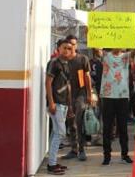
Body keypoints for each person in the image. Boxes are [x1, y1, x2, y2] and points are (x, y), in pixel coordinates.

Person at [61, 35, 93, 162]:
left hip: (80, 95)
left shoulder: (83, 59)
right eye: (70, 45)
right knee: (71, 123)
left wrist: (89, 94)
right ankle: (74, 149)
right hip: (67, 96)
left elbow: (87, 78)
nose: (72, 47)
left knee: (78, 122)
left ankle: (81, 150)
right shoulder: (63, 61)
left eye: (74, 44)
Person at [45, 39, 74, 175]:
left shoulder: (66, 64)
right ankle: (51, 164)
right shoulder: (54, 63)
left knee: (56, 133)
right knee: (60, 133)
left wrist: (69, 106)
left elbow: (68, 87)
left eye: (69, 48)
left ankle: (52, 162)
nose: (67, 50)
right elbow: (48, 83)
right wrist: (51, 102)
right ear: (58, 48)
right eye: (64, 48)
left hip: (63, 105)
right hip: (56, 104)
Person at [100, 49, 133, 165]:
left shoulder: (126, 56)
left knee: (123, 128)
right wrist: (90, 33)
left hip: (122, 96)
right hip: (108, 96)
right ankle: (107, 156)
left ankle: (125, 155)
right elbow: (95, 48)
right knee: (107, 128)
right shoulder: (106, 55)